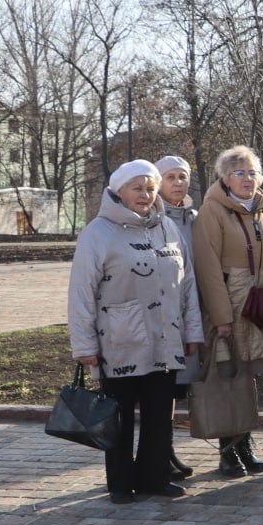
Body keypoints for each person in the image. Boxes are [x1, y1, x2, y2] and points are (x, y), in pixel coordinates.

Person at [68, 160, 204, 504]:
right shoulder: (98, 232)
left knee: (159, 414)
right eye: (137, 188)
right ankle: (120, 482)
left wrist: (192, 331)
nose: (145, 195)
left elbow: (187, 283)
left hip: (165, 338)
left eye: (150, 188)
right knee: (120, 415)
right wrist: (84, 344)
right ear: (119, 191)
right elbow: (81, 292)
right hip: (119, 340)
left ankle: (154, 478)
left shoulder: (167, 228)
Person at [193, 145, 263, 478]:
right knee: (228, 376)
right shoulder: (212, 211)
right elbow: (208, 267)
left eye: (252, 172)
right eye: (239, 173)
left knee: (249, 378)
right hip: (229, 305)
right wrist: (221, 317)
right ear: (225, 177)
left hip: (259, 306)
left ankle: (246, 444)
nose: (247, 179)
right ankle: (228, 451)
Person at [156, 155, 198, 481]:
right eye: (170, 177)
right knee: (161, 390)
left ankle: (165, 450)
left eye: (182, 177)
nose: (178, 183)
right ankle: (161, 451)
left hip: (190, 310)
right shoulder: (153, 218)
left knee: (176, 389)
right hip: (160, 316)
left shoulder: (195, 218)